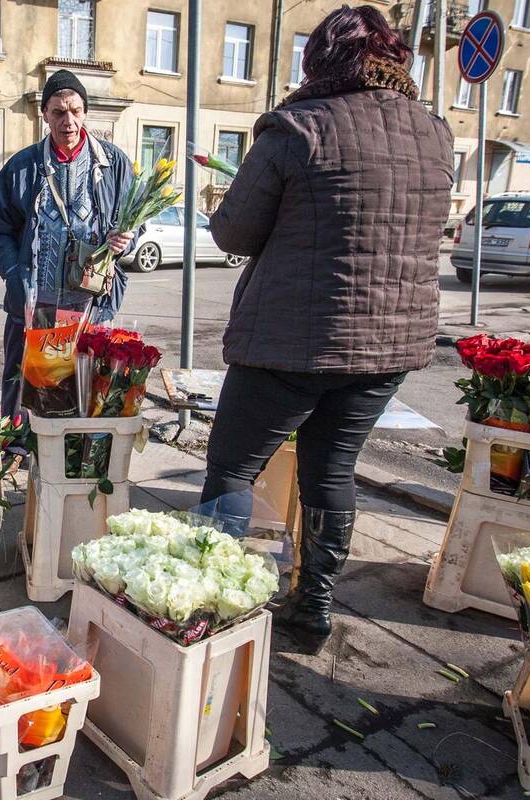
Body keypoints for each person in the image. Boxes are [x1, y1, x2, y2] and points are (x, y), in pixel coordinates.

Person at [198, 5, 452, 653]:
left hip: (290, 342)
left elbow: (233, 231)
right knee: (331, 471)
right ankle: (312, 606)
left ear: (321, 60)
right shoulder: (433, 132)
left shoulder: (296, 127)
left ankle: (203, 608)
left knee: (232, 468)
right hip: (385, 348)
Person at [0, 69, 137, 416]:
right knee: (29, 390)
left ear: (85, 112)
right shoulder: (23, 167)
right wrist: (15, 277)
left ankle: (72, 459)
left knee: (85, 390)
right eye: (58, 111)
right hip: (36, 304)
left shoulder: (113, 163)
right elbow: (0, 231)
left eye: (75, 110)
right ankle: (21, 447)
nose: (67, 120)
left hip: (89, 303)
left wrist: (126, 242)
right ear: (44, 114)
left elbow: (135, 220)